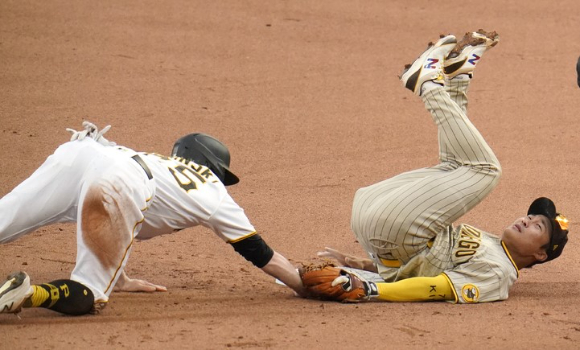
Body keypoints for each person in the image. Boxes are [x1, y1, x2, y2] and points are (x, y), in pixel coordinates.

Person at [315, 30, 570, 303]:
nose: (526, 219)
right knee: (456, 166)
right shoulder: (492, 243)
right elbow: (414, 268)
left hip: (395, 230)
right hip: (376, 218)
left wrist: (372, 289)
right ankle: (457, 78)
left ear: (540, 254)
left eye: (537, 226)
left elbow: (432, 286)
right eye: (531, 217)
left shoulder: (499, 276)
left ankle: (428, 85)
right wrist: (362, 265)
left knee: (486, 169)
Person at [0, 122, 305, 315]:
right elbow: (257, 251)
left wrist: (119, 278)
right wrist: (301, 284)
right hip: (120, 179)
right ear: (214, 168)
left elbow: (121, 224)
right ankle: (28, 294)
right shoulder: (212, 189)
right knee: (89, 294)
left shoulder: (161, 164)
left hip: (83, 151)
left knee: (6, 216)